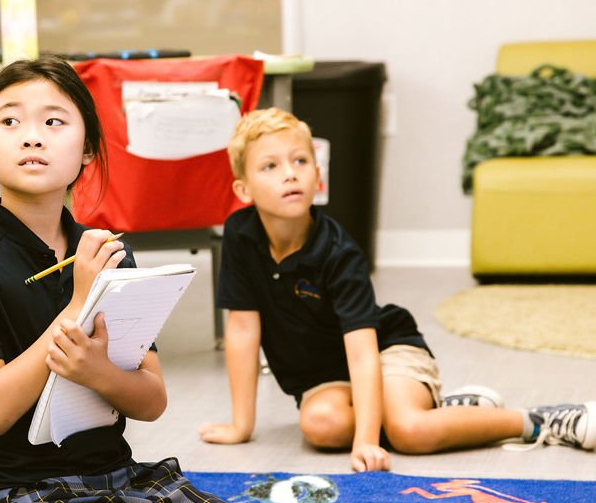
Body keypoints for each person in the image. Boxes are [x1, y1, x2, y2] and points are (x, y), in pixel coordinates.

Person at [0, 56, 277, 503]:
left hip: (107, 474)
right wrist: (75, 307)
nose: (32, 135)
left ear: (87, 150)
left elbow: (151, 400)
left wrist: (97, 372)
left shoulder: (108, 252)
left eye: (55, 122)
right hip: (16, 491)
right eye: (9, 122)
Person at [199, 107, 595, 471]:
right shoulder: (240, 236)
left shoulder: (339, 252)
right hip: (324, 377)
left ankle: (540, 419)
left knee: (409, 433)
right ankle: (451, 411)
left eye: (300, 161)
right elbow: (242, 330)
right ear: (244, 191)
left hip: (385, 349)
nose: (289, 173)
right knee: (323, 426)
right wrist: (241, 425)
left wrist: (367, 441)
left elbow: (362, 350)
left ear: (318, 176)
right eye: (270, 166)